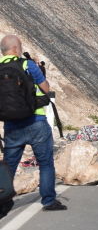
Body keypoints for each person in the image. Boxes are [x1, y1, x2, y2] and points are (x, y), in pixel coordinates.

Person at [0, 35, 64, 211]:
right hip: (36, 121)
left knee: (9, 166)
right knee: (45, 163)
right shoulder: (28, 65)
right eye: (19, 46)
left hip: (12, 126)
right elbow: (46, 88)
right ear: (15, 49)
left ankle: (3, 202)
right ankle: (49, 201)